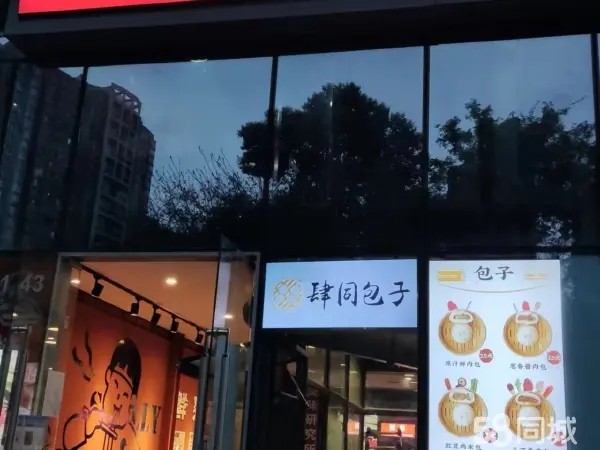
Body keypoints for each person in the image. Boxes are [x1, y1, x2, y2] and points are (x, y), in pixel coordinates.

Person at [62, 338, 142, 450]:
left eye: (125, 395)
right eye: (116, 385)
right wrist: (86, 427)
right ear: (108, 375)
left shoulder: (129, 434)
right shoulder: (93, 414)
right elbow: (67, 439)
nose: (118, 399)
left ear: (132, 400)